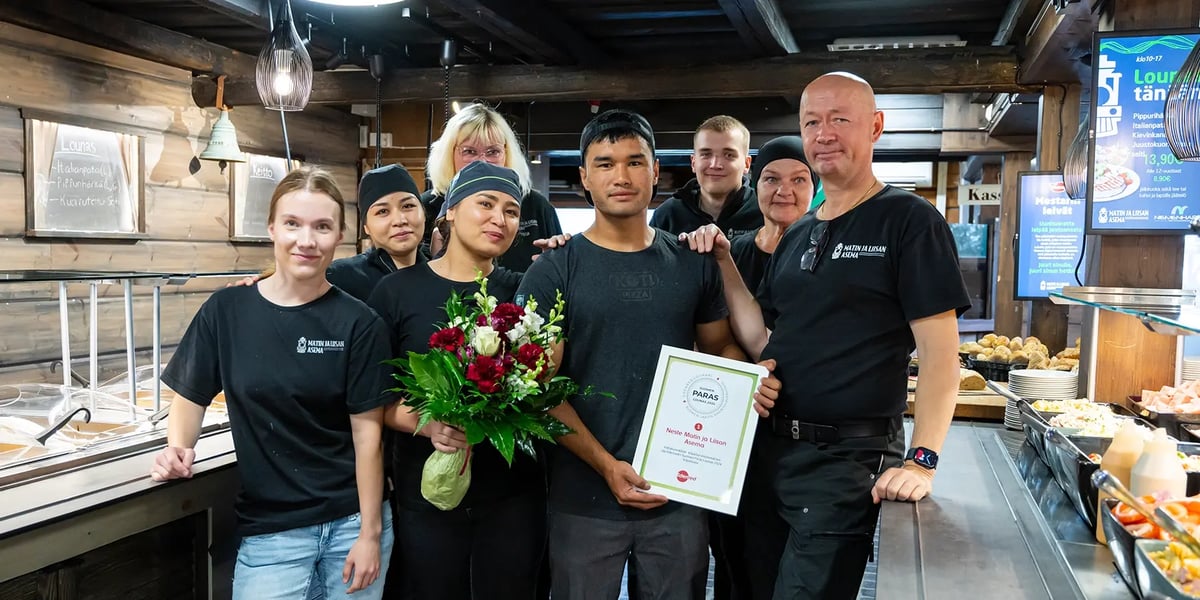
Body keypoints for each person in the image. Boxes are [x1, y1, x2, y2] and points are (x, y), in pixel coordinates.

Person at [680, 72, 969, 600]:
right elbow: (767, 340)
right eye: (813, 121)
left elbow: (940, 356)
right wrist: (724, 261)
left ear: (876, 127)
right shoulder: (803, 231)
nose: (824, 133)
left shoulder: (909, 220)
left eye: (841, 119)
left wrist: (922, 461)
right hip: (767, 456)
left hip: (845, 462)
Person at [516, 109, 779, 600]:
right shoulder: (552, 271)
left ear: (656, 171)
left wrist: (745, 376)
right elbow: (537, 388)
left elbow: (719, 343)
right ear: (584, 178)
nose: (621, 176)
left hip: (680, 491)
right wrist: (604, 464)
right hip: (583, 498)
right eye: (605, 163)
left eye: (635, 162)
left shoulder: (691, 263)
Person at [150, 167, 394, 600]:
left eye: (322, 227)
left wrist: (371, 533)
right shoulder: (226, 311)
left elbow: (367, 436)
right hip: (272, 534)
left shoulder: (360, 323)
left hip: (351, 524)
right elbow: (191, 393)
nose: (307, 240)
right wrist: (178, 447)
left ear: (340, 235)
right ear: (271, 229)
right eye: (293, 224)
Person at [367, 161, 545, 600]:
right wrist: (427, 423)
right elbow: (372, 400)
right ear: (449, 210)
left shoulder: (523, 291)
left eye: (511, 211)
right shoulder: (396, 292)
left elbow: (544, 378)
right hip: (425, 493)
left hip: (512, 493)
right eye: (485, 204)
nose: (499, 219)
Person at [422, 103, 562, 272]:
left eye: (492, 152)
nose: (482, 161)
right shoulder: (425, 208)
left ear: (506, 153)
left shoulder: (537, 206)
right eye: (469, 152)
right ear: (449, 153)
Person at [730, 136, 818, 295]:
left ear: (813, 189)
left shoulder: (829, 253)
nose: (784, 191)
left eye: (798, 180)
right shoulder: (732, 254)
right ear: (756, 186)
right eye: (772, 179)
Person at [649, 115, 762, 239]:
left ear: (747, 164)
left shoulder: (764, 212)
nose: (715, 165)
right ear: (693, 162)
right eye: (706, 154)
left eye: (728, 155)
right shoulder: (667, 215)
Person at [326, 163, 426, 302]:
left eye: (408, 206)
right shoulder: (341, 278)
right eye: (382, 211)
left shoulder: (442, 274)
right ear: (366, 227)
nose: (399, 220)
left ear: (424, 213)